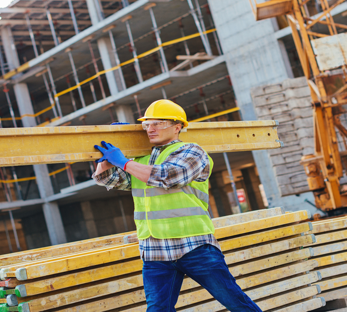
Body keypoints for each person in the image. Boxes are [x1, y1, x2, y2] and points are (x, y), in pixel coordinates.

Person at [93, 99, 262, 312]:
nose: (151, 129)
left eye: (158, 123)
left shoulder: (192, 151)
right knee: (157, 310)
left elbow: (168, 176)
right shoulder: (141, 160)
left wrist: (124, 161)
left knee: (235, 302)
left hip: (193, 246)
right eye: (147, 125)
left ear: (177, 126)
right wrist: (108, 155)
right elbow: (108, 180)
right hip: (154, 251)